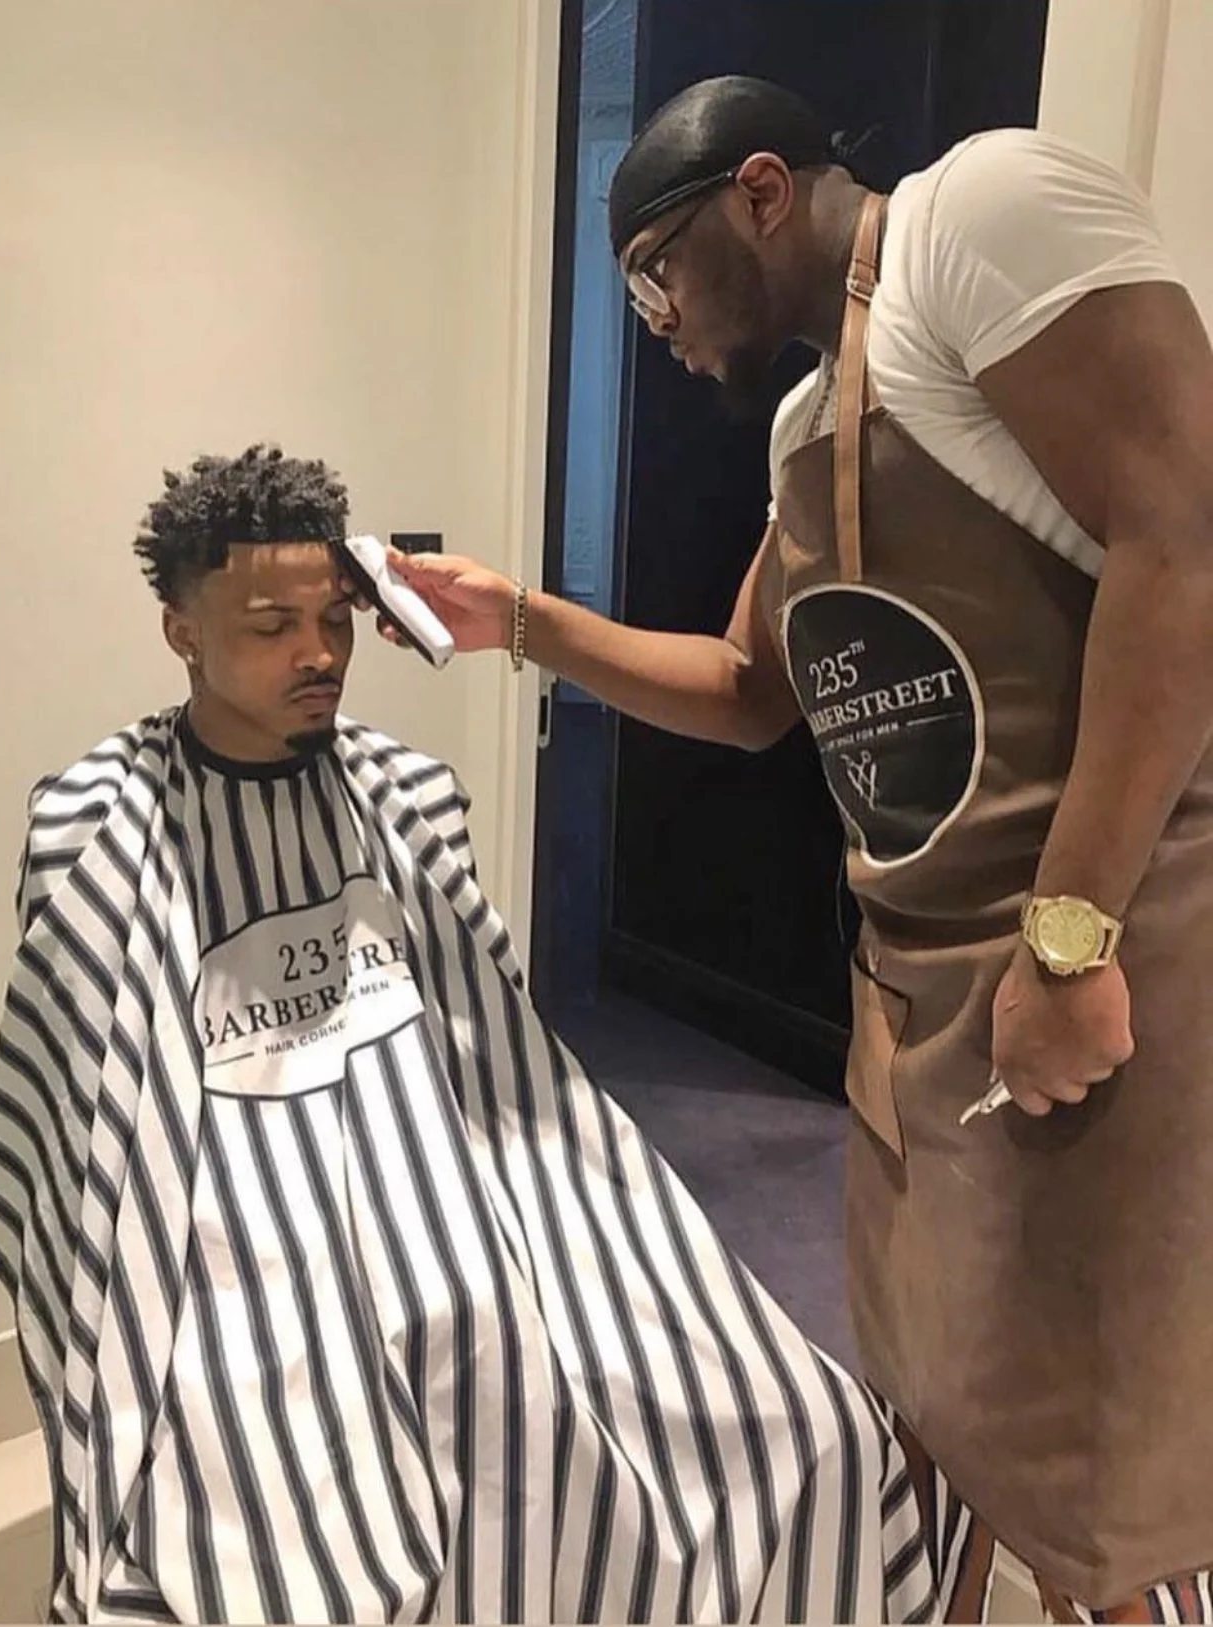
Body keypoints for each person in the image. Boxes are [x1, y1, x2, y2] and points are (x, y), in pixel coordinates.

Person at [373, 77, 1213, 1624]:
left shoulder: (986, 216)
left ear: (762, 189)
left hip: (1094, 971)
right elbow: (758, 690)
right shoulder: (809, 419)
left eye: (656, 273)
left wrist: (1074, 941)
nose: (652, 320)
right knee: (933, 1410)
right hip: (919, 989)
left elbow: (1185, 538)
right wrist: (525, 627)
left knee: (1109, 1475)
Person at [0, 444, 936, 1625]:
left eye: (335, 617)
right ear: (181, 630)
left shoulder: (408, 797)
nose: (318, 654)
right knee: (272, 1537)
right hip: (232, 1255)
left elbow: (500, 1074)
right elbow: (84, 1146)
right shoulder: (94, 831)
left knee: (793, 1427)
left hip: (460, 1209)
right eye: (270, 626)